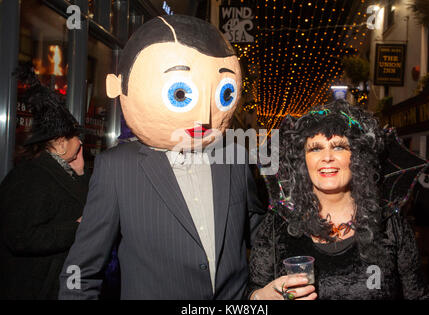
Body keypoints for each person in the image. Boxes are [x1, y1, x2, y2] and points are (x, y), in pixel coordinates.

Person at [58, 15, 266, 300]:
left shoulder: (234, 158)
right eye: (180, 93)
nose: (204, 117)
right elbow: (81, 272)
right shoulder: (118, 169)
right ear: (119, 86)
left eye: (224, 93)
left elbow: (261, 237)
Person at [246, 100, 429, 300]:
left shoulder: (390, 225)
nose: (327, 157)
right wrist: (260, 297)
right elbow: (251, 293)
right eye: (315, 148)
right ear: (302, 161)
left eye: (339, 147)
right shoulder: (277, 225)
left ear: (358, 157)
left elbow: (419, 295)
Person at [0, 63, 89, 299]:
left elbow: (75, 203)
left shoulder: (60, 170)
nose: (80, 142)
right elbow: (19, 236)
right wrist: (76, 227)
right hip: (32, 287)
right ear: (60, 143)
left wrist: (79, 172)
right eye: (73, 137)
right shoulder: (30, 177)